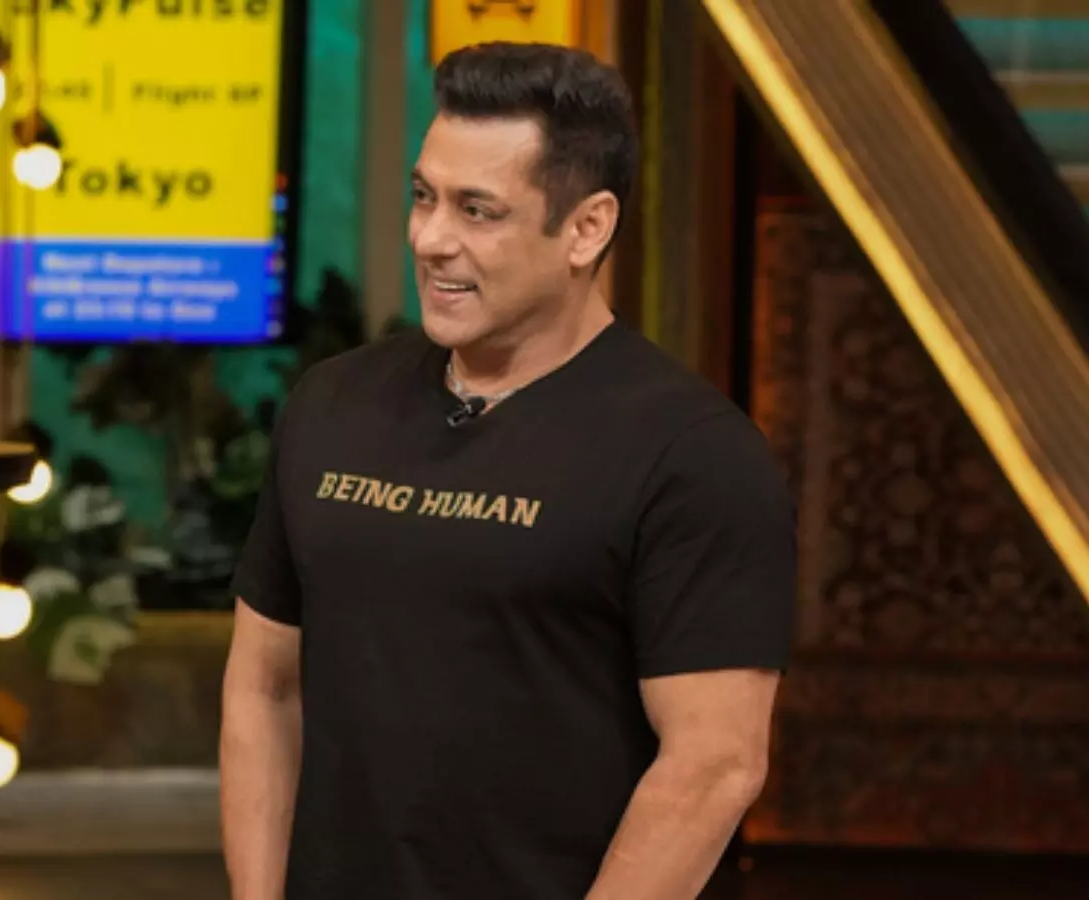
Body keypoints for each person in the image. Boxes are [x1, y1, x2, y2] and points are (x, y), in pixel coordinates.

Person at [220, 41, 796, 900]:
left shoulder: (693, 454)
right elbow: (264, 689)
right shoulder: (331, 405)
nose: (430, 239)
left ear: (586, 228)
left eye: (478, 211)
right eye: (424, 196)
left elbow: (714, 765)